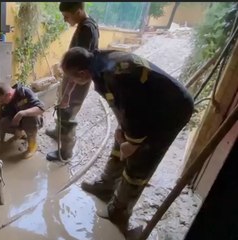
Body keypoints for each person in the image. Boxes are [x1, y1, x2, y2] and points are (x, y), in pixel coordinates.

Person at [60, 47, 194, 235]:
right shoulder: (99, 62)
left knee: (139, 161)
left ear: (82, 73)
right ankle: (106, 186)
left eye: (72, 78)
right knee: (120, 141)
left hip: (169, 112)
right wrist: (122, 132)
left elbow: (136, 113)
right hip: (147, 104)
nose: (73, 82)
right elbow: (125, 105)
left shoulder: (114, 75)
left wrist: (133, 143)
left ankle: (119, 212)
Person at [46, 2, 100, 161]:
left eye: (66, 16)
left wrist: (68, 93)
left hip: (77, 80)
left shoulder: (87, 30)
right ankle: (58, 130)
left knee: (68, 113)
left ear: (78, 12)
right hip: (74, 77)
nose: (65, 20)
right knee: (63, 108)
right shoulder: (86, 24)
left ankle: (66, 151)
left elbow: (78, 67)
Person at [0, 82, 45, 159]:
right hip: (19, 122)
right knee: (3, 123)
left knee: (30, 119)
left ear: (9, 95)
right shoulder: (6, 102)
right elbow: (6, 117)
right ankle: (17, 135)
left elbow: (41, 108)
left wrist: (22, 113)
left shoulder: (24, 92)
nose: (1, 102)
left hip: (32, 121)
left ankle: (32, 147)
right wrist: (17, 129)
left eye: (2, 100)